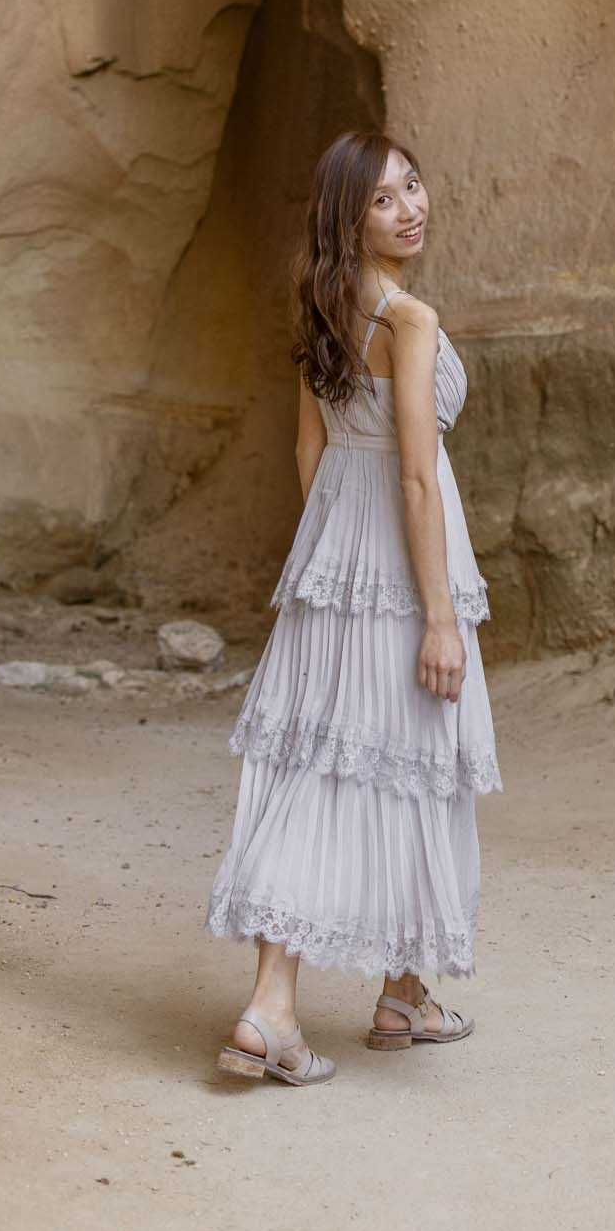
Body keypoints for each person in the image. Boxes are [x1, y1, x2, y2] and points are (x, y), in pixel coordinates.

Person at [207, 133, 499, 1079]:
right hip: (407, 568)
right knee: (405, 761)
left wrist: (335, 560)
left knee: (336, 762)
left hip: (334, 562)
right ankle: (281, 1010)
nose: (410, 206)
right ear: (349, 218)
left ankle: (388, 994)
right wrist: (439, 617)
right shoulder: (409, 319)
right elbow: (417, 476)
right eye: (382, 200)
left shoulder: (326, 307)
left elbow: (310, 453)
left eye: (413, 183)